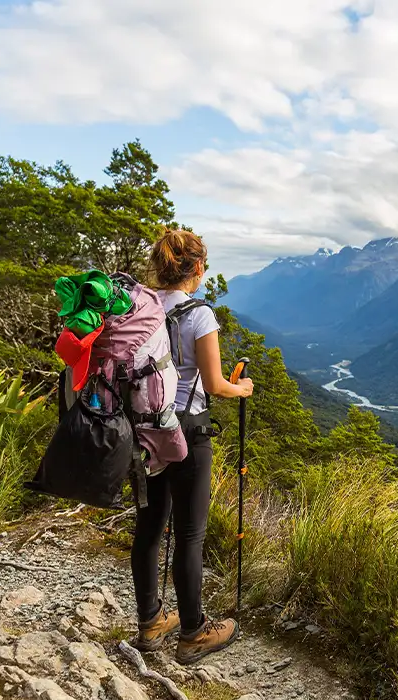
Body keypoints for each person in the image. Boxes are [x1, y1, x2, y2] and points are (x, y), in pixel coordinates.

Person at [131, 228, 254, 665]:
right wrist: (243, 389)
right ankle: (193, 633)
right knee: (189, 534)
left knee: (148, 529)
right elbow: (217, 385)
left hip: (144, 431)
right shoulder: (199, 315)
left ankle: (150, 623)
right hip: (187, 432)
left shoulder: (138, 307)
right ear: (197, 268)